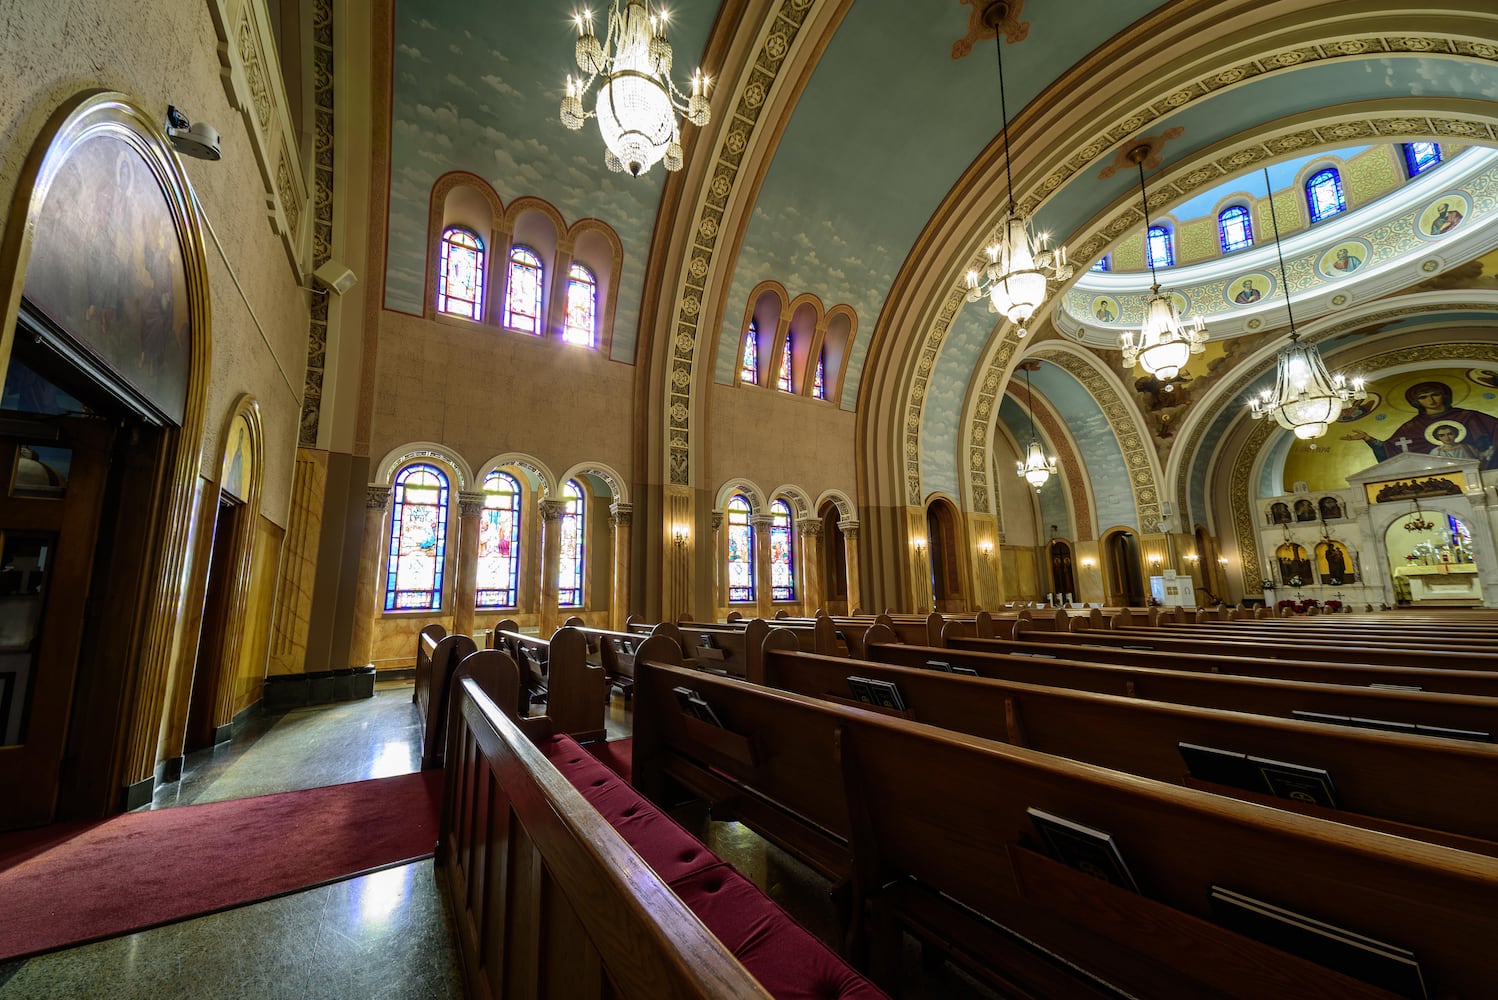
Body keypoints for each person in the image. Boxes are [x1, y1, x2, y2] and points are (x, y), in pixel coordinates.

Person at [1344, 380, 1498, 470]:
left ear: (1444, 396)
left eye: (1435, 395)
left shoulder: (1470, 417)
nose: (1431, 400)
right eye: (1424, 397)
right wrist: (1369, 439)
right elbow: (1391, 449)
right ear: (1416, 402)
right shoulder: (1412, 427)